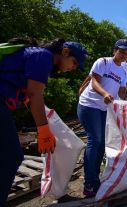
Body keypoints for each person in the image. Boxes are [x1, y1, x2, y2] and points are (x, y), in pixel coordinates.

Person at [0, 37, 88, 206]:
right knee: (11, 157)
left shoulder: (36, 55)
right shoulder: (43, 56)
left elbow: (27, 93)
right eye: (74, 63)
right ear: (65, 52)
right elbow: (35, 95)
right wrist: (43, 130)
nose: (73, 68)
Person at [78, 39, 127, 197]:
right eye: (121, 51)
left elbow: (121, 92)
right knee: (95, 140)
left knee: (102, 143)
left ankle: (95, 180)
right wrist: (105, 93)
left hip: (103, 108)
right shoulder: (103, 62)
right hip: (89, 105)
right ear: (114, 50)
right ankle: (88, 184)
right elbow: (94, 82)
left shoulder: (123, 71)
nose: (124, 55)